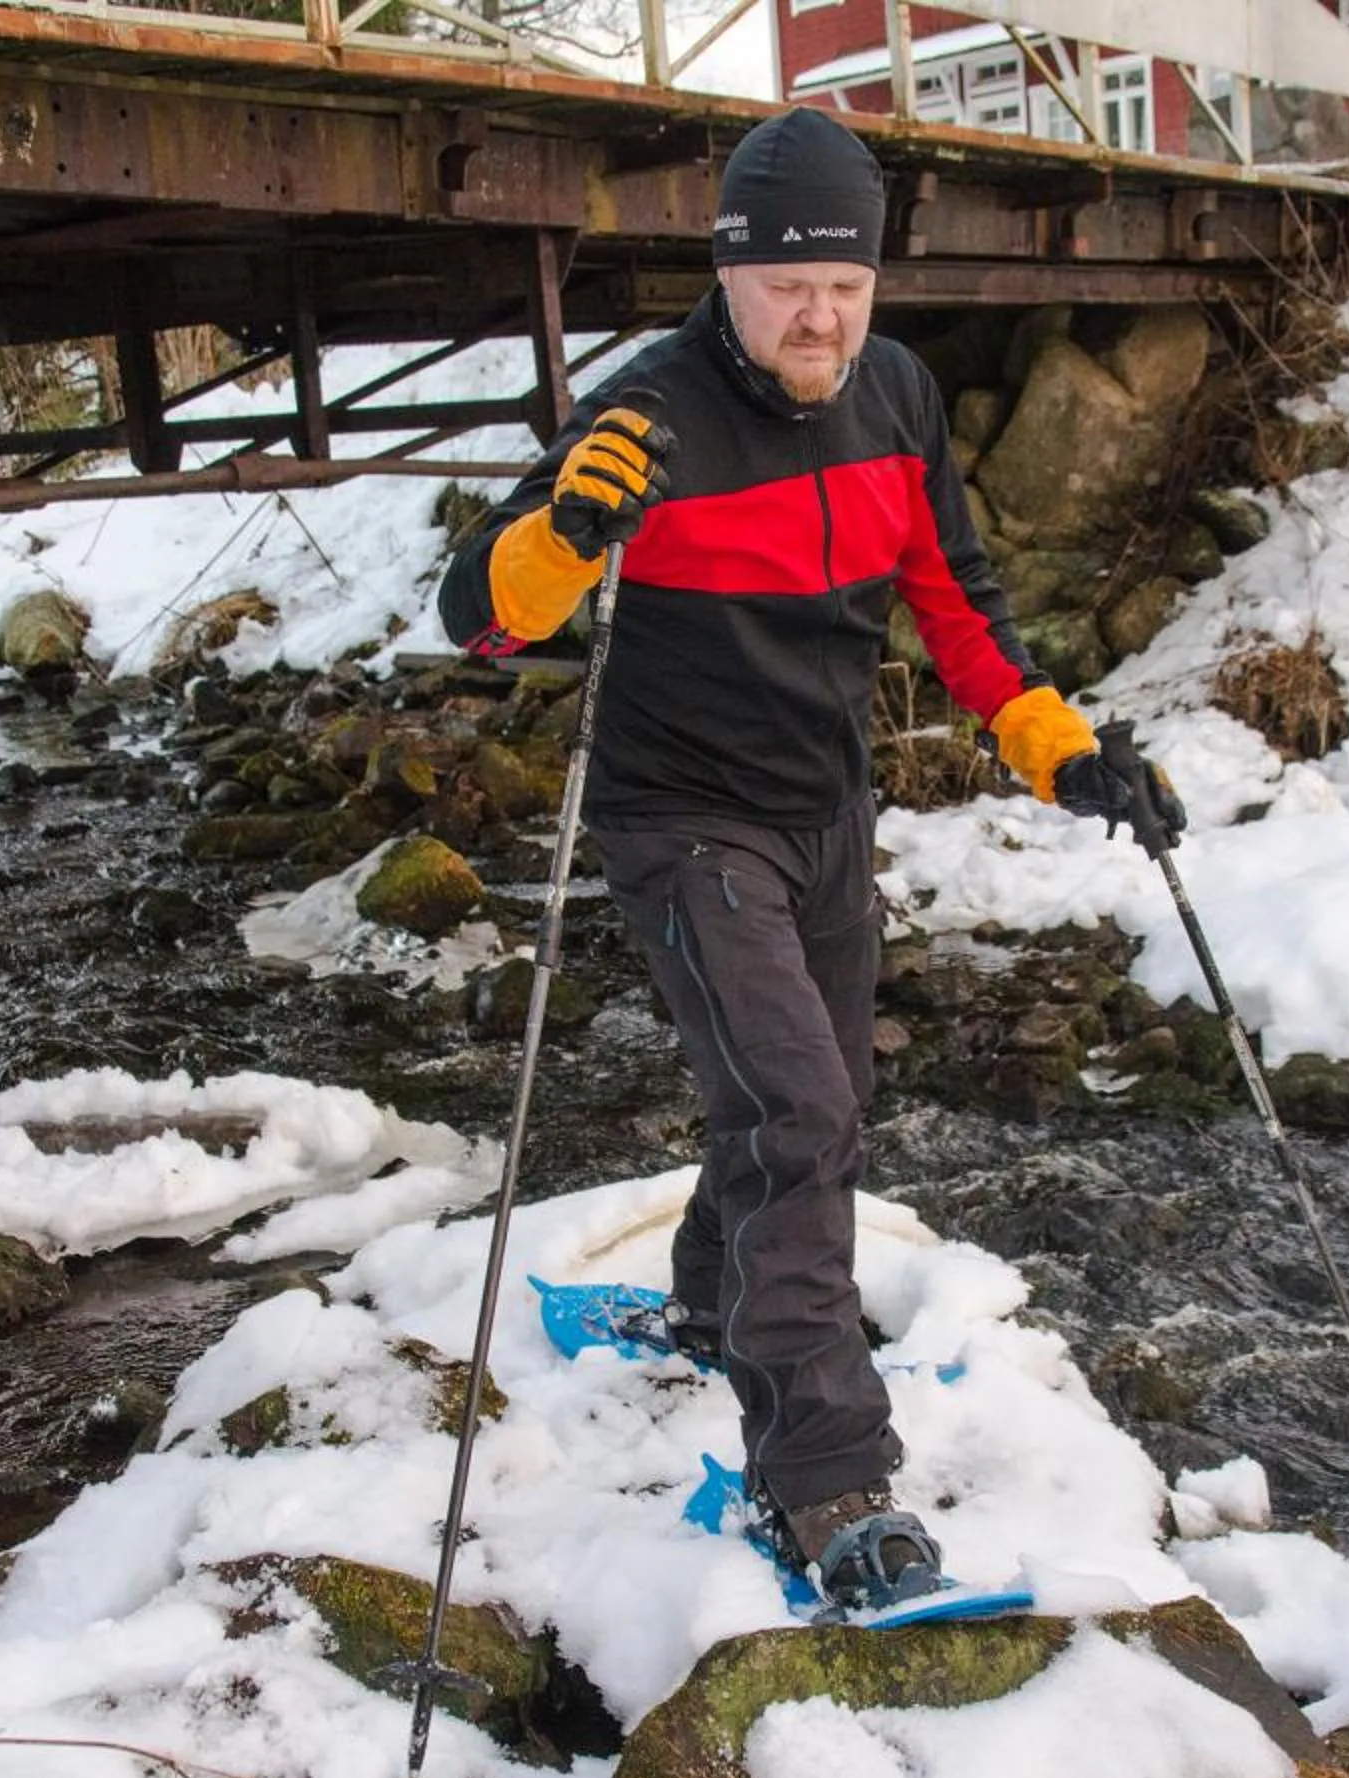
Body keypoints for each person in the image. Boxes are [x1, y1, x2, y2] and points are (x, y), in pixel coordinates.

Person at [438, 106, 1176, 1611]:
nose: (821, 314)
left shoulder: (894, 395)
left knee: (817, 1099)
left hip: (825, 815)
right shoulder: (652, 416)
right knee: (797, 1107)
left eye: (847, 280)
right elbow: (484, 618)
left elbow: (958, 606)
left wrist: (1064, 750)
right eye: (789, 286)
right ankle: (826, 1477)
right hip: (681, 817)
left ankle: (715, 1300)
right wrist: (573, 527)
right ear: (728, 274)